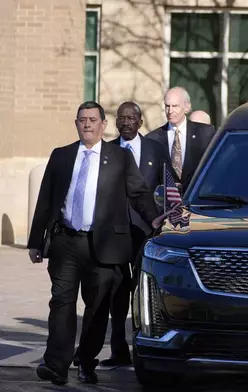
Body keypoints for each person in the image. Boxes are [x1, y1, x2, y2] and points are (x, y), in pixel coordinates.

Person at [27, 101, 165, 385]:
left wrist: (154, 219)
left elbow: (138, 193)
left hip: (104, 245)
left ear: (103, 125)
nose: (87, 124)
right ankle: (56, 364)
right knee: (61, 302)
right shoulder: (62, 156)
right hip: (66, 241)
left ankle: (87, 361)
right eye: (82, 120)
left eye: (92, 119)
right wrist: (36, 241)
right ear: (76, 124)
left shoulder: (119, 157)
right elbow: (46, 200)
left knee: (97, 308)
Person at [101, 101, 168, 366]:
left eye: (131, 118)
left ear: (140, 122)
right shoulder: (107, 152)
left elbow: (169, 186)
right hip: (115, 234)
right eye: (121, 118)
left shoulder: (156, 150)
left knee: (143, 292)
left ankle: (145, 349)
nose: (126, 122)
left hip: (146, 233)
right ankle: (118, 350)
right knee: (116, 292)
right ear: (115, 122)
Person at [146, 87, 216, 192]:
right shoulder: (153, 138)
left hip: (197, 201)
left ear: (187, 107)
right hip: (166, 203)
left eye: (175, 106)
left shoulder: (205, 134)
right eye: (167, 106)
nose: (170, 111)